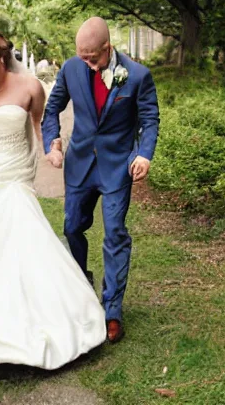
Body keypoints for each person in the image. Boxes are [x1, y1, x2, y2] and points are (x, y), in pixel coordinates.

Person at [0, 30, 106, 370]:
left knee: (18, 239)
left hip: (13, 174)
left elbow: (38, 126)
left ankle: (31, 316)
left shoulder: (30, 87)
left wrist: (52, 149)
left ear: (2, 58)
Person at [42, 17, 160, 343]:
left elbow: (150, 120)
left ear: (107, 47)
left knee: (115, 233)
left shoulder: (137, 76)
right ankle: (81, 287)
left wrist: (144, 154)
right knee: (71, 227)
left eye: (92, 57)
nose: (88, 63)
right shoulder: (70, 69)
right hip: (79, 164)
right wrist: (52, 142)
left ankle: (112, 310)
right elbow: (51, 111)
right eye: (82, 56)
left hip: (116, 167)